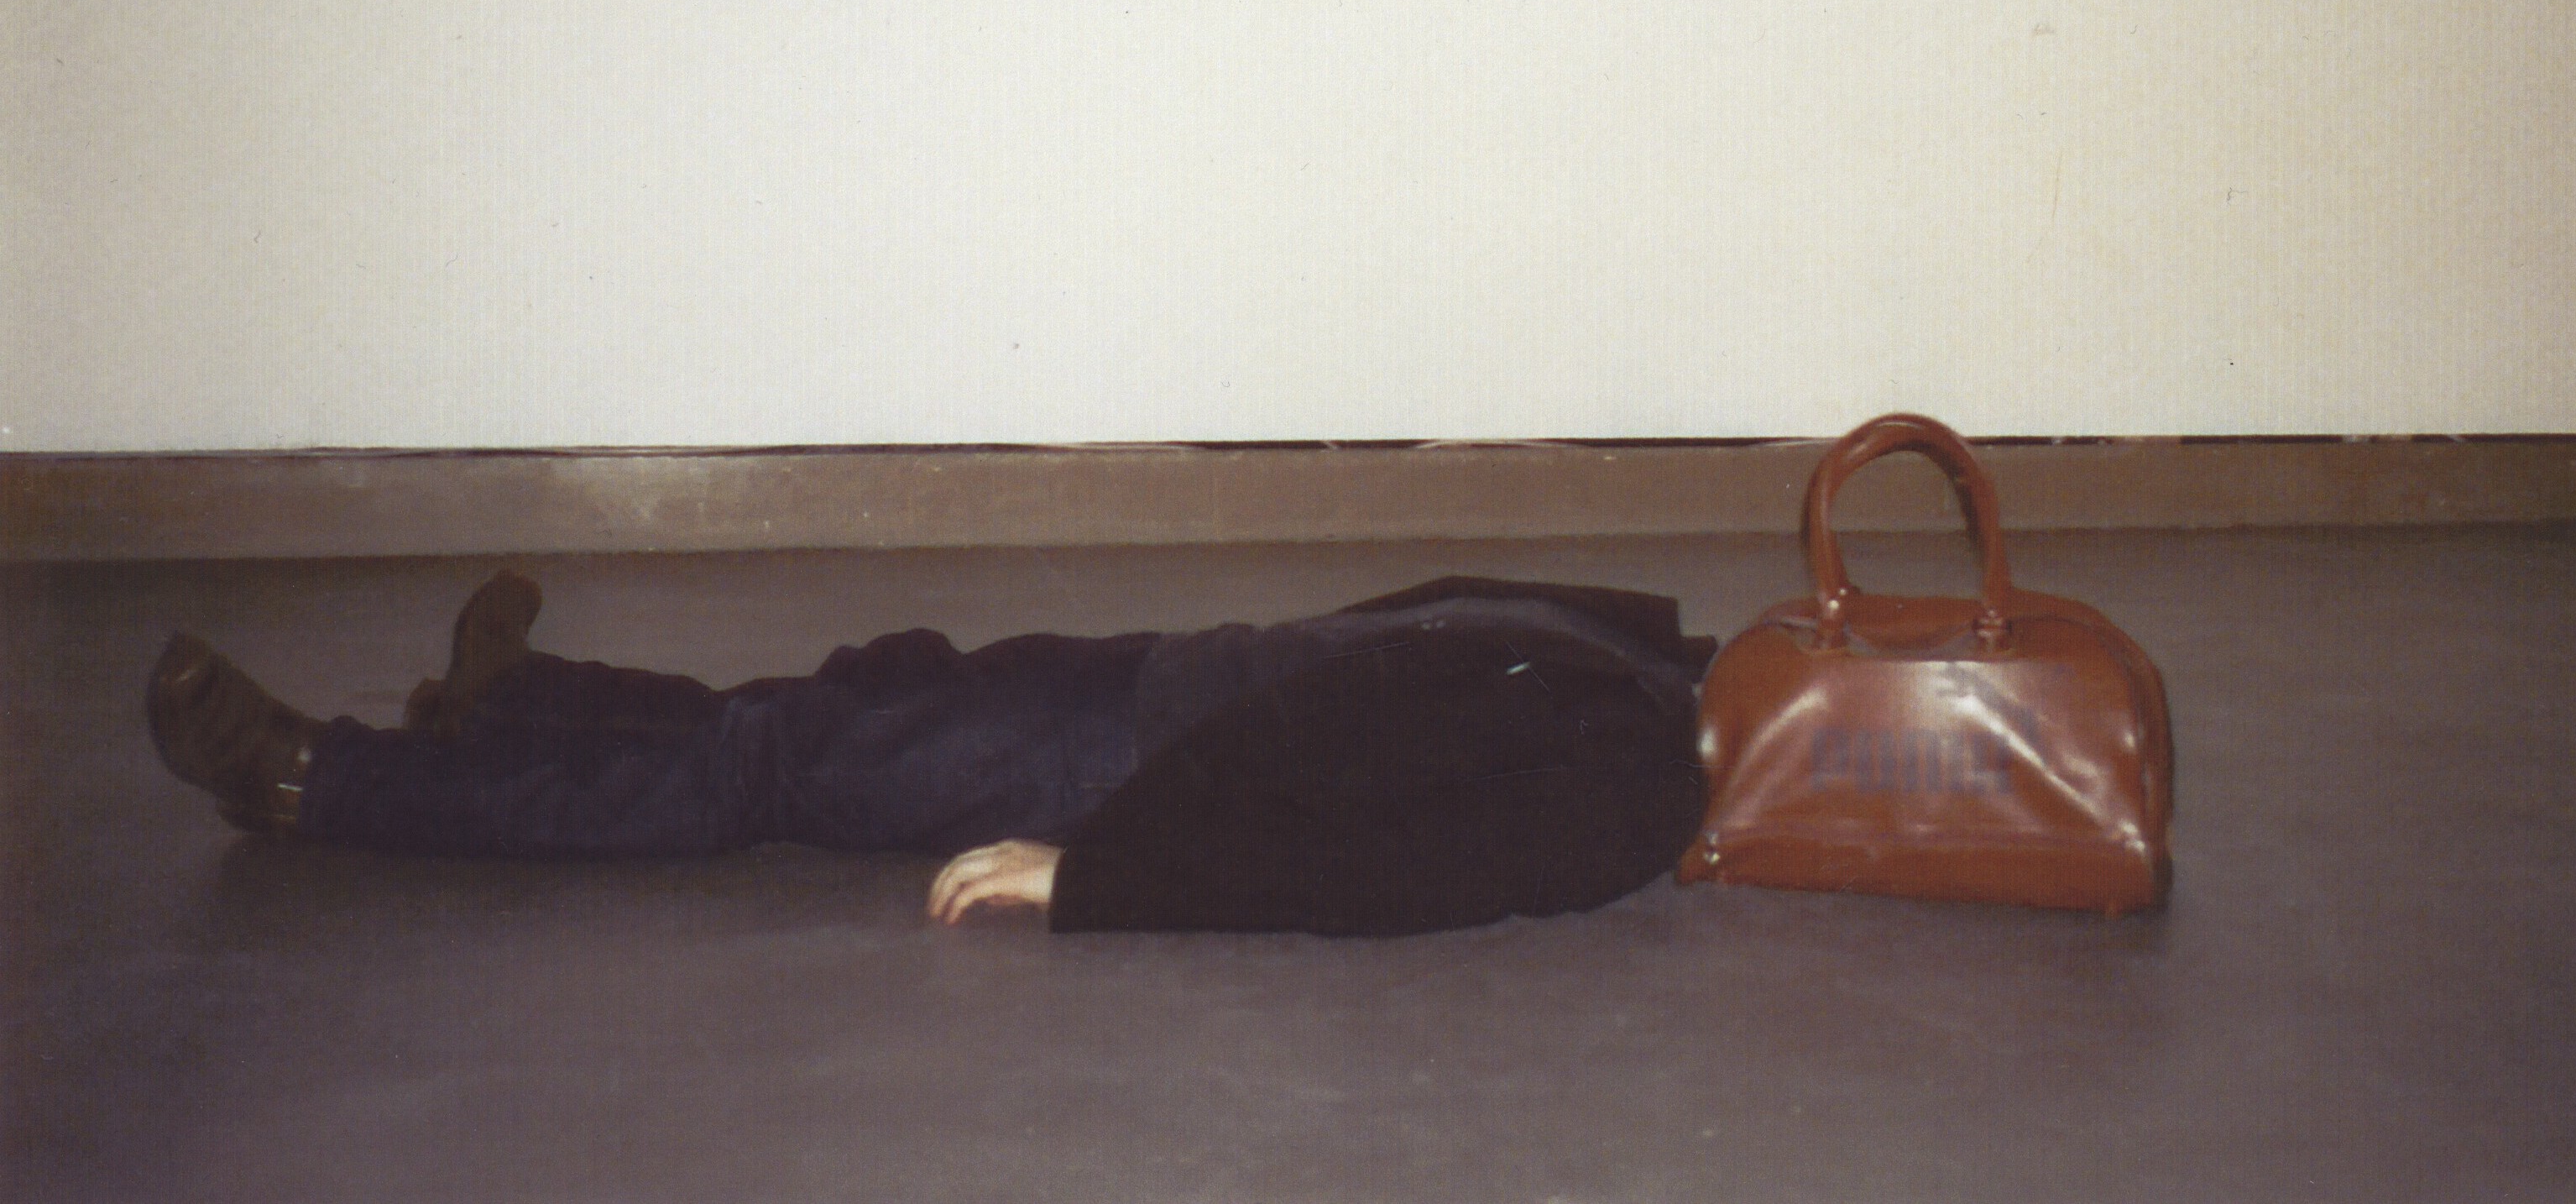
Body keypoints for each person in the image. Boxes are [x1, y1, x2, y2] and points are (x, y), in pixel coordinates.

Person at [145, 572, 1715, 936]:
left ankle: (324, 780)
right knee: (854, 695)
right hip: (1162, 675)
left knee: (767, 766)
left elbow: (1383, 873)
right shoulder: (1662, 658)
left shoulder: (1638, 778)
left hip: (1124, 765)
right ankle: (519, 703)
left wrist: (1095, 876)